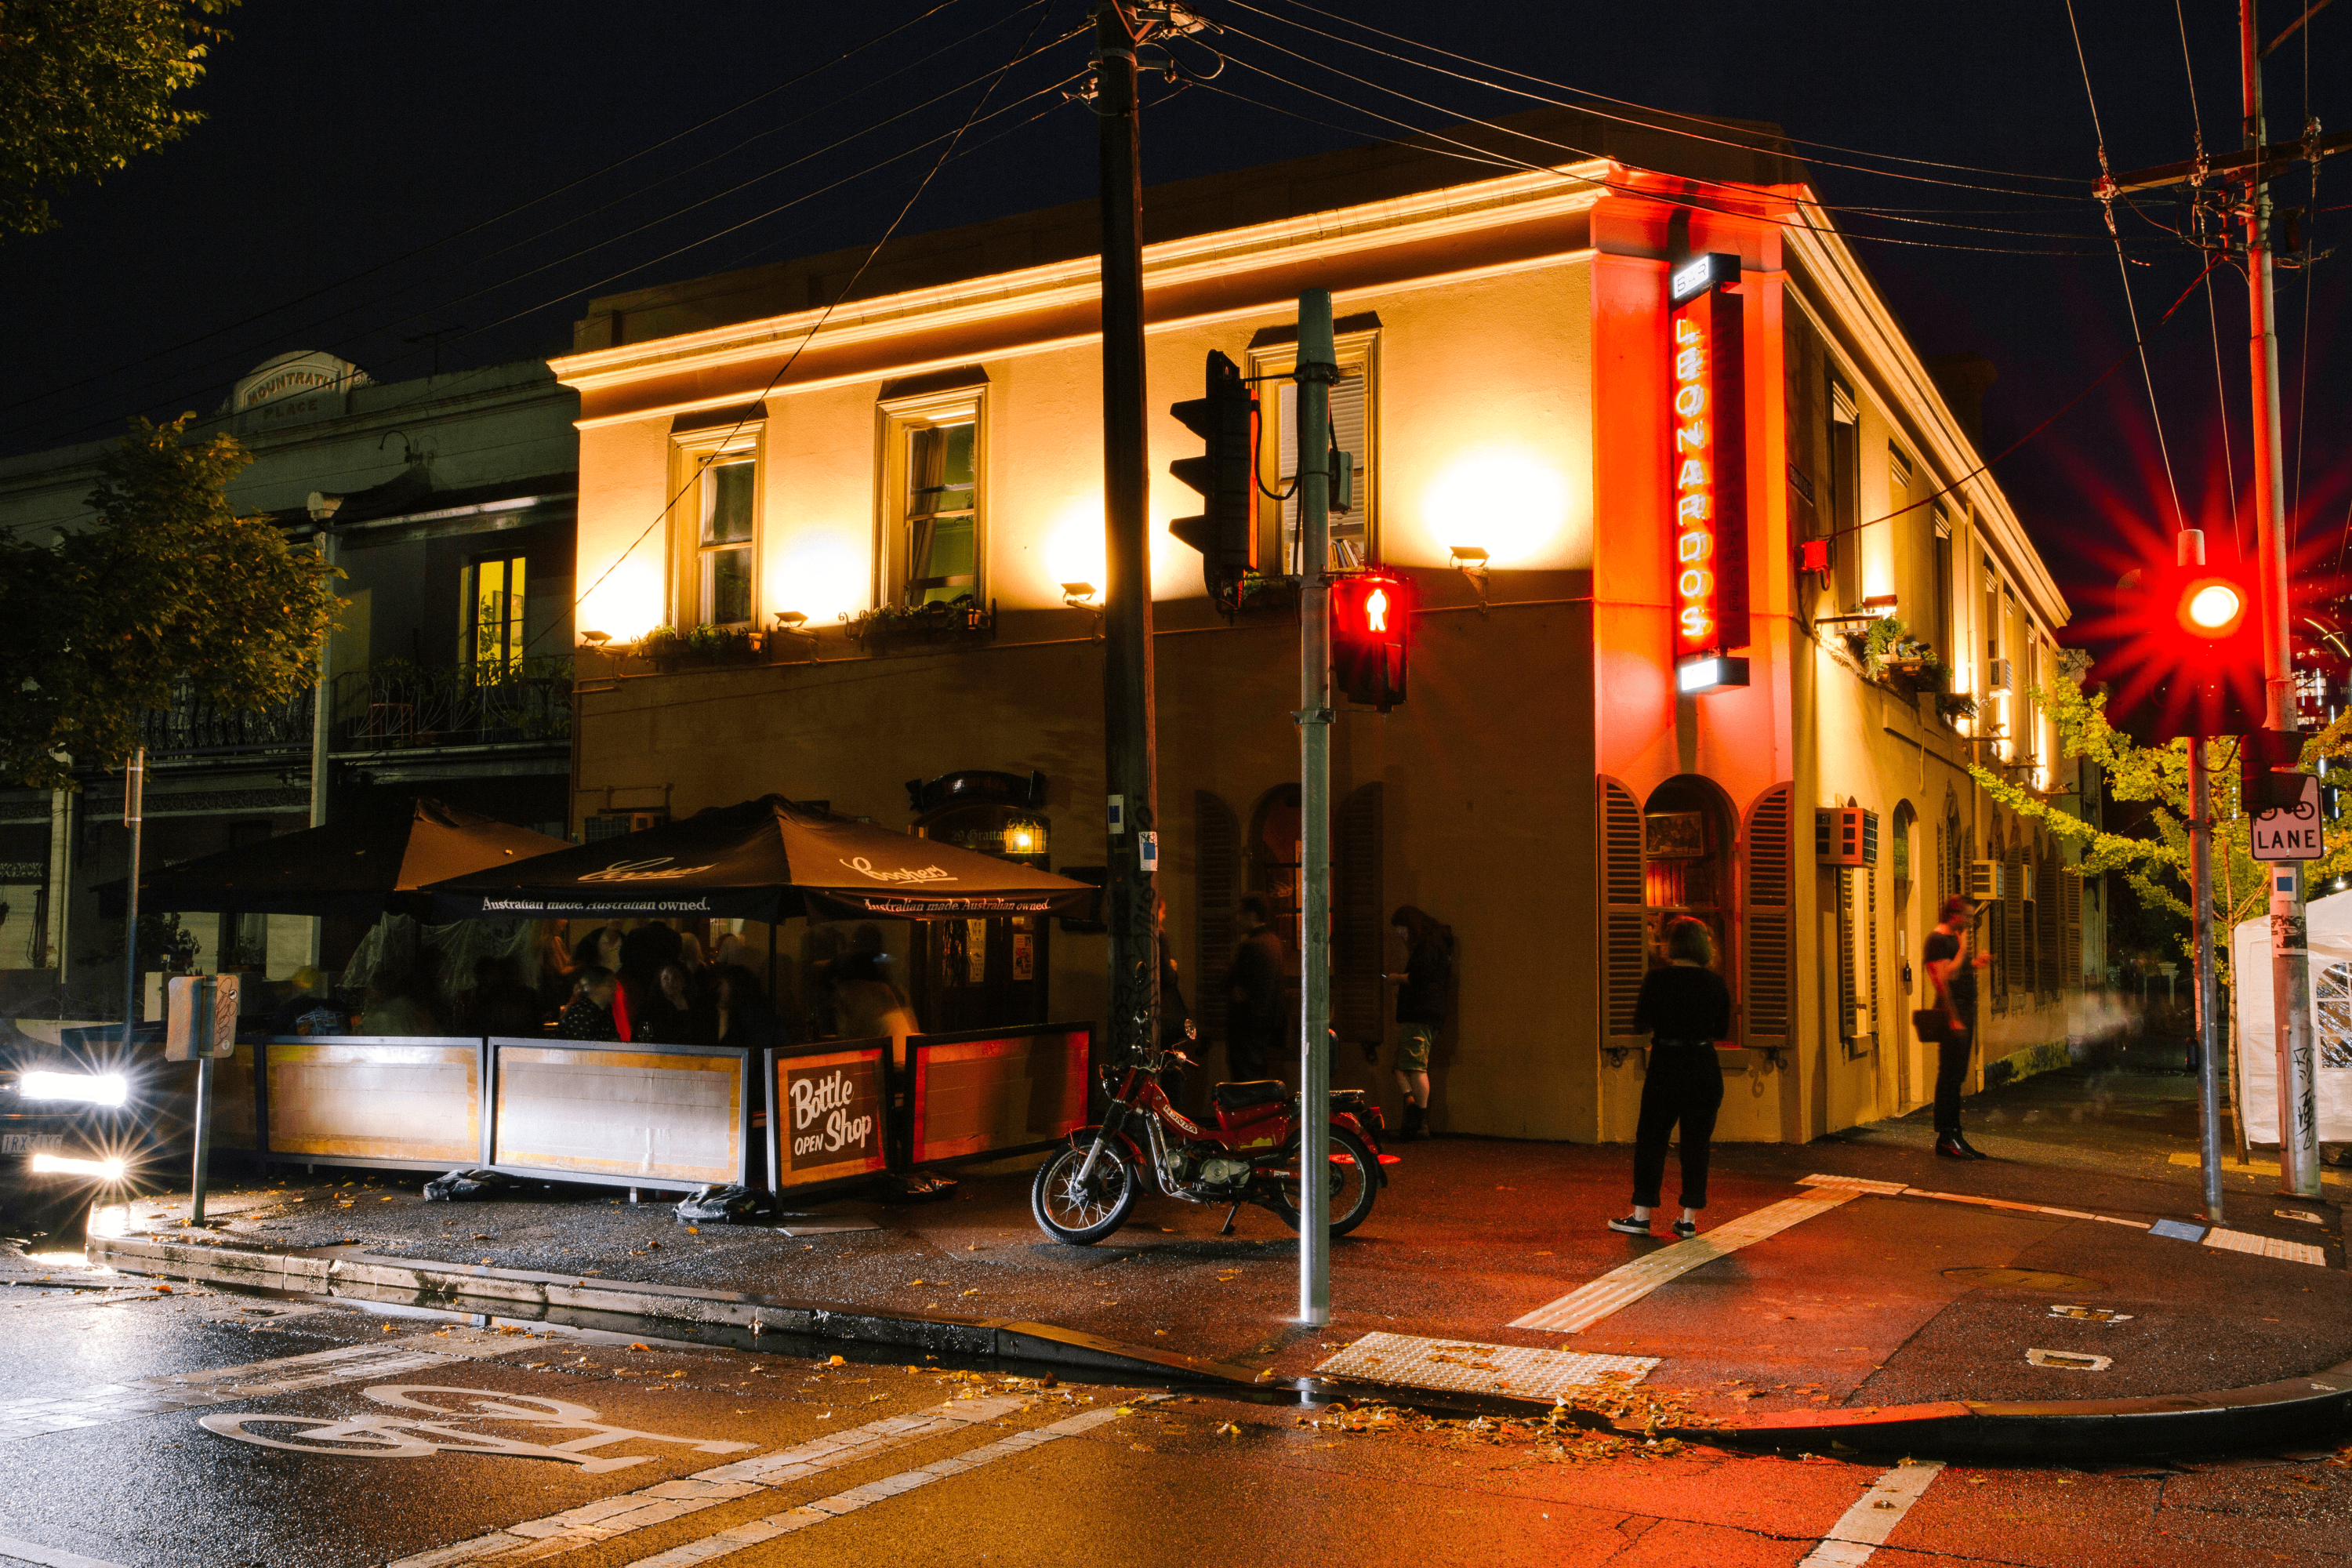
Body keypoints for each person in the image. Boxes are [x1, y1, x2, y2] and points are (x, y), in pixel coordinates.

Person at [1610, 916, 1731, 1240]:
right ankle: (1688, 1219)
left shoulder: (1657, 981)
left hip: (1666, 1064)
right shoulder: (1715, 983)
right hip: (1704, 1065)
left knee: (1651, 1138)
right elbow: (1722, 1030)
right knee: (1697, 1143)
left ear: (1672, 945)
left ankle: (1641, 1214)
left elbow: (1640, 1023)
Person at [1923, 895, 1995, 1160]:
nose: (1969, 919)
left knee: (1958, 1074)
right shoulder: (1938, 940)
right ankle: (1946, 1136)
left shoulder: (1951, 939)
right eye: (1966, 914)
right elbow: (1943, 978)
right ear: (1954, 914)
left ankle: (1955, 1133)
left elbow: (1958, 970)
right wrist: (1953, 1016)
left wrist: (1975, 963)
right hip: (1952, 1011)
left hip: (1964, 1009)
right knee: (1950, 1075)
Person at [1382, 904, 1454, 1139]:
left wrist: (1396, 979)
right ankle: (1413, 1108)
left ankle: (1419, 1119)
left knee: (1413, 1066)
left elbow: (1419, 976)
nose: (1402, 937)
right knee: (1403, 1065)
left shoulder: (1428, 946)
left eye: (1403, 932)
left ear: (1412, 927)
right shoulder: (1436, 944)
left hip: (1420, 1014)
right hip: (1425, 1014)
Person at [1225, 895, 1287, 1081]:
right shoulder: (1273, 942)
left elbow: (1232, 982)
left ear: (1251, 915)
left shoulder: (1251, 946)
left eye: (1241, 914)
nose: (1237, 919)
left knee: (1245, 1082)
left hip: (1246, 1028)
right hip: (1265, 1028)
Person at [714, 964, 786, 1049]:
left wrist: (723, 1015)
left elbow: (727, 1052)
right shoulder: (758, 1011)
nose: (719, 989)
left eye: (722, 984)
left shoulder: (750, 1017)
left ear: (733, 985)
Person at [558, 967, 619, 1040]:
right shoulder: (581, 1015)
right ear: (594, 987)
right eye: (609, 985)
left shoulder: (605, 1012)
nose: (615, 989)